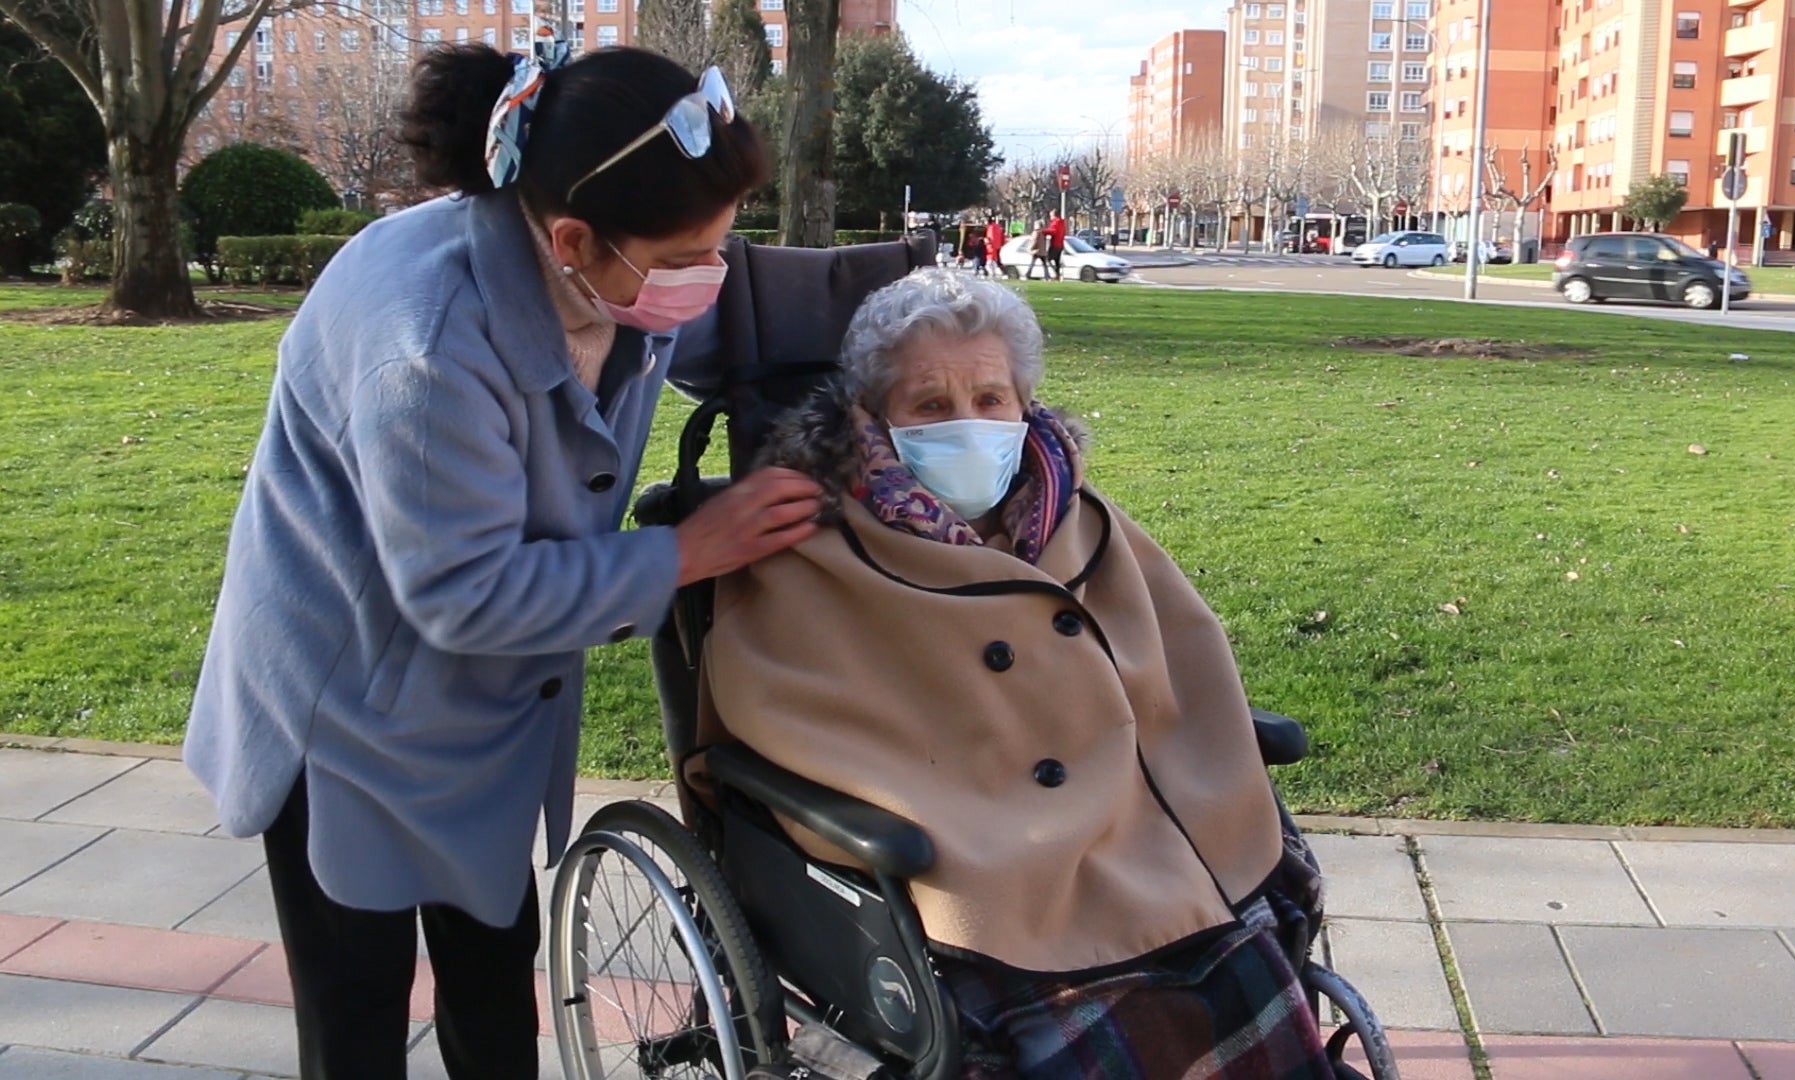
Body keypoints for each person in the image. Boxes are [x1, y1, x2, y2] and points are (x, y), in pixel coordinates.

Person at [182, 41, 824, 1080]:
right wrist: (684, 552)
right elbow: (465, 591)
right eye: (684, 257)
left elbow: (745, 308)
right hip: (347, 710)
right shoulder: (428, 344)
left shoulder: (605, 263)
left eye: (722, 240)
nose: (709, 272)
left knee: (492, 982)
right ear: (573, 238)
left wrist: (918, 346)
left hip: (473, 708)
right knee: (356, 1018)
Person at [696, 270, 1334, 1080]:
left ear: (1023, 405)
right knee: (1108, 1012)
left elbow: (1180, 661)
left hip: (1139, 827)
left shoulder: (1085, 522)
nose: (969, 423)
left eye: (991, 398)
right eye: (930, 405)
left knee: (1248, 930)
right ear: (874, 417)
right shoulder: (812, 551)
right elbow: (788, 713)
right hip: (976, 848)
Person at [1044, 210, 1069, 279]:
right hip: (1060, 244)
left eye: (1051, 215)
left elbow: (1053, 231)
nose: (1050, 217)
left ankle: (1055, 273)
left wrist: (1043, 231)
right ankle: (1057, 275)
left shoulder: (1056, 222)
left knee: (1048, 259)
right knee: (1056, 261)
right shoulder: (1062, 222)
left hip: (1055, 244)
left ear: (1055, 215)